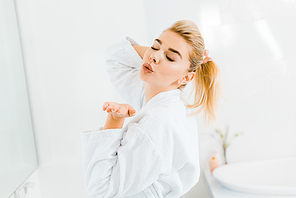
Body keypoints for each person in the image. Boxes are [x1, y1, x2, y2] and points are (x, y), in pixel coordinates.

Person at [80, 19, 222, 198]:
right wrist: (161, 54)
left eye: (170, 57)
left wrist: (114, 120)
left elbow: (100, 190)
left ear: (186, 78)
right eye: (155, 46)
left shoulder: (159, 119)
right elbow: (114, 58)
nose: (154, 56)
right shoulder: (160, 99)